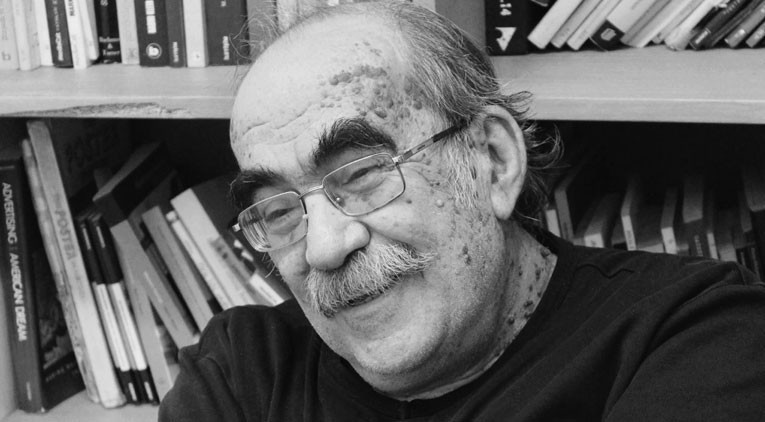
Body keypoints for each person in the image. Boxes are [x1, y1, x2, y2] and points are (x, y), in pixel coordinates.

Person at [159, 2, 765, 420]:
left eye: (363, 174)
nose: (323, 247)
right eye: (277, 210)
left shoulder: (696, 338)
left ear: (492, 161)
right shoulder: (239, 373)